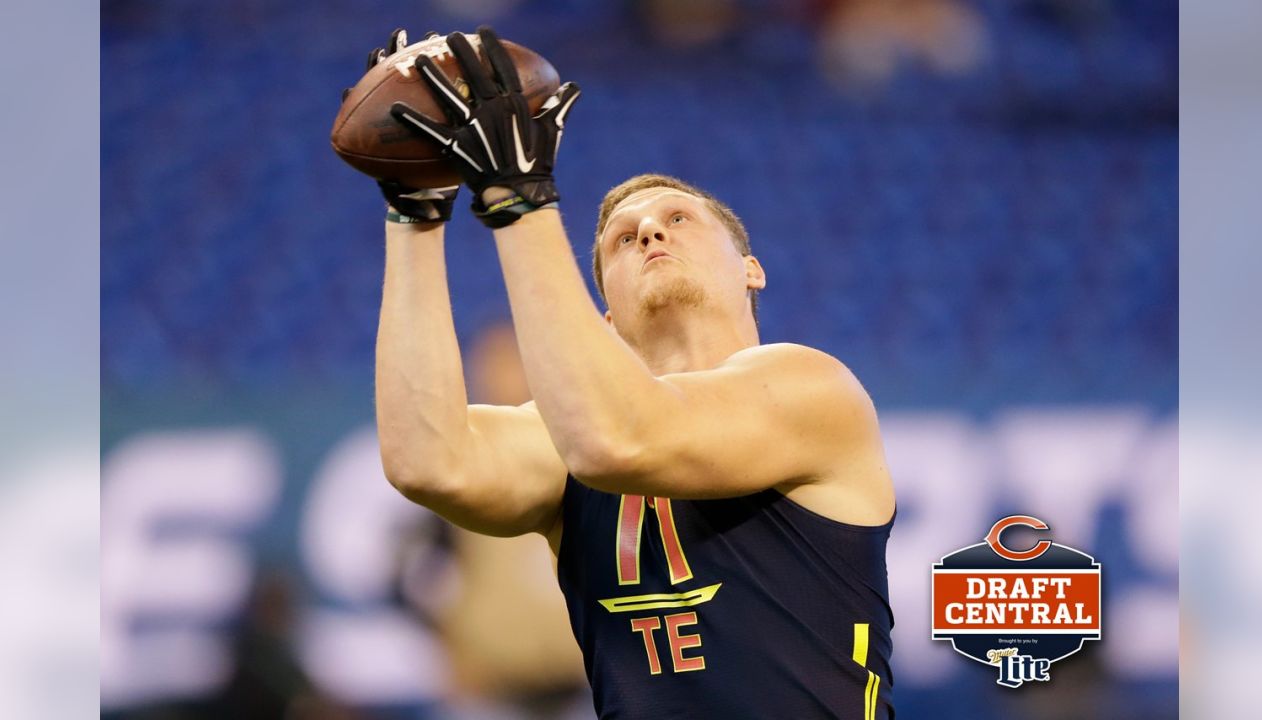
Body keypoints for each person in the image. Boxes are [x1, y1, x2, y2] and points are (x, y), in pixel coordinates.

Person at [367, 27, 897, 719]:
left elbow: (618, 440)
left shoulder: (811, 387)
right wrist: (415, 214)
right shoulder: (575, 431)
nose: (650, 232)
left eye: (679, 218)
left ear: (751, 269)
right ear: (605, 318)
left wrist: (519, 200)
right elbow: (427, 460)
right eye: (623, 237)